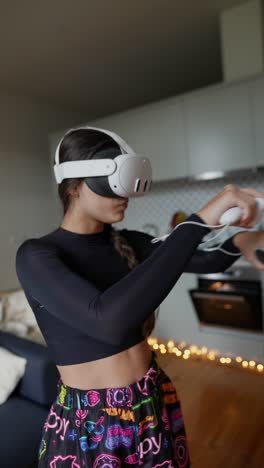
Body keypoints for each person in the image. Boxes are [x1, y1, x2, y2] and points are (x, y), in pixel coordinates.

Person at [15, 128, 264, 467]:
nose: (125, 196)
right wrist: (200, 220)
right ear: (75, 184)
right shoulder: (37, 255)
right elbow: (109, 322)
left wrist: (243, 241)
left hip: (152, 401)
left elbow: (207, 258)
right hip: (92, 423)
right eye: (115, 183)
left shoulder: (130, 241)